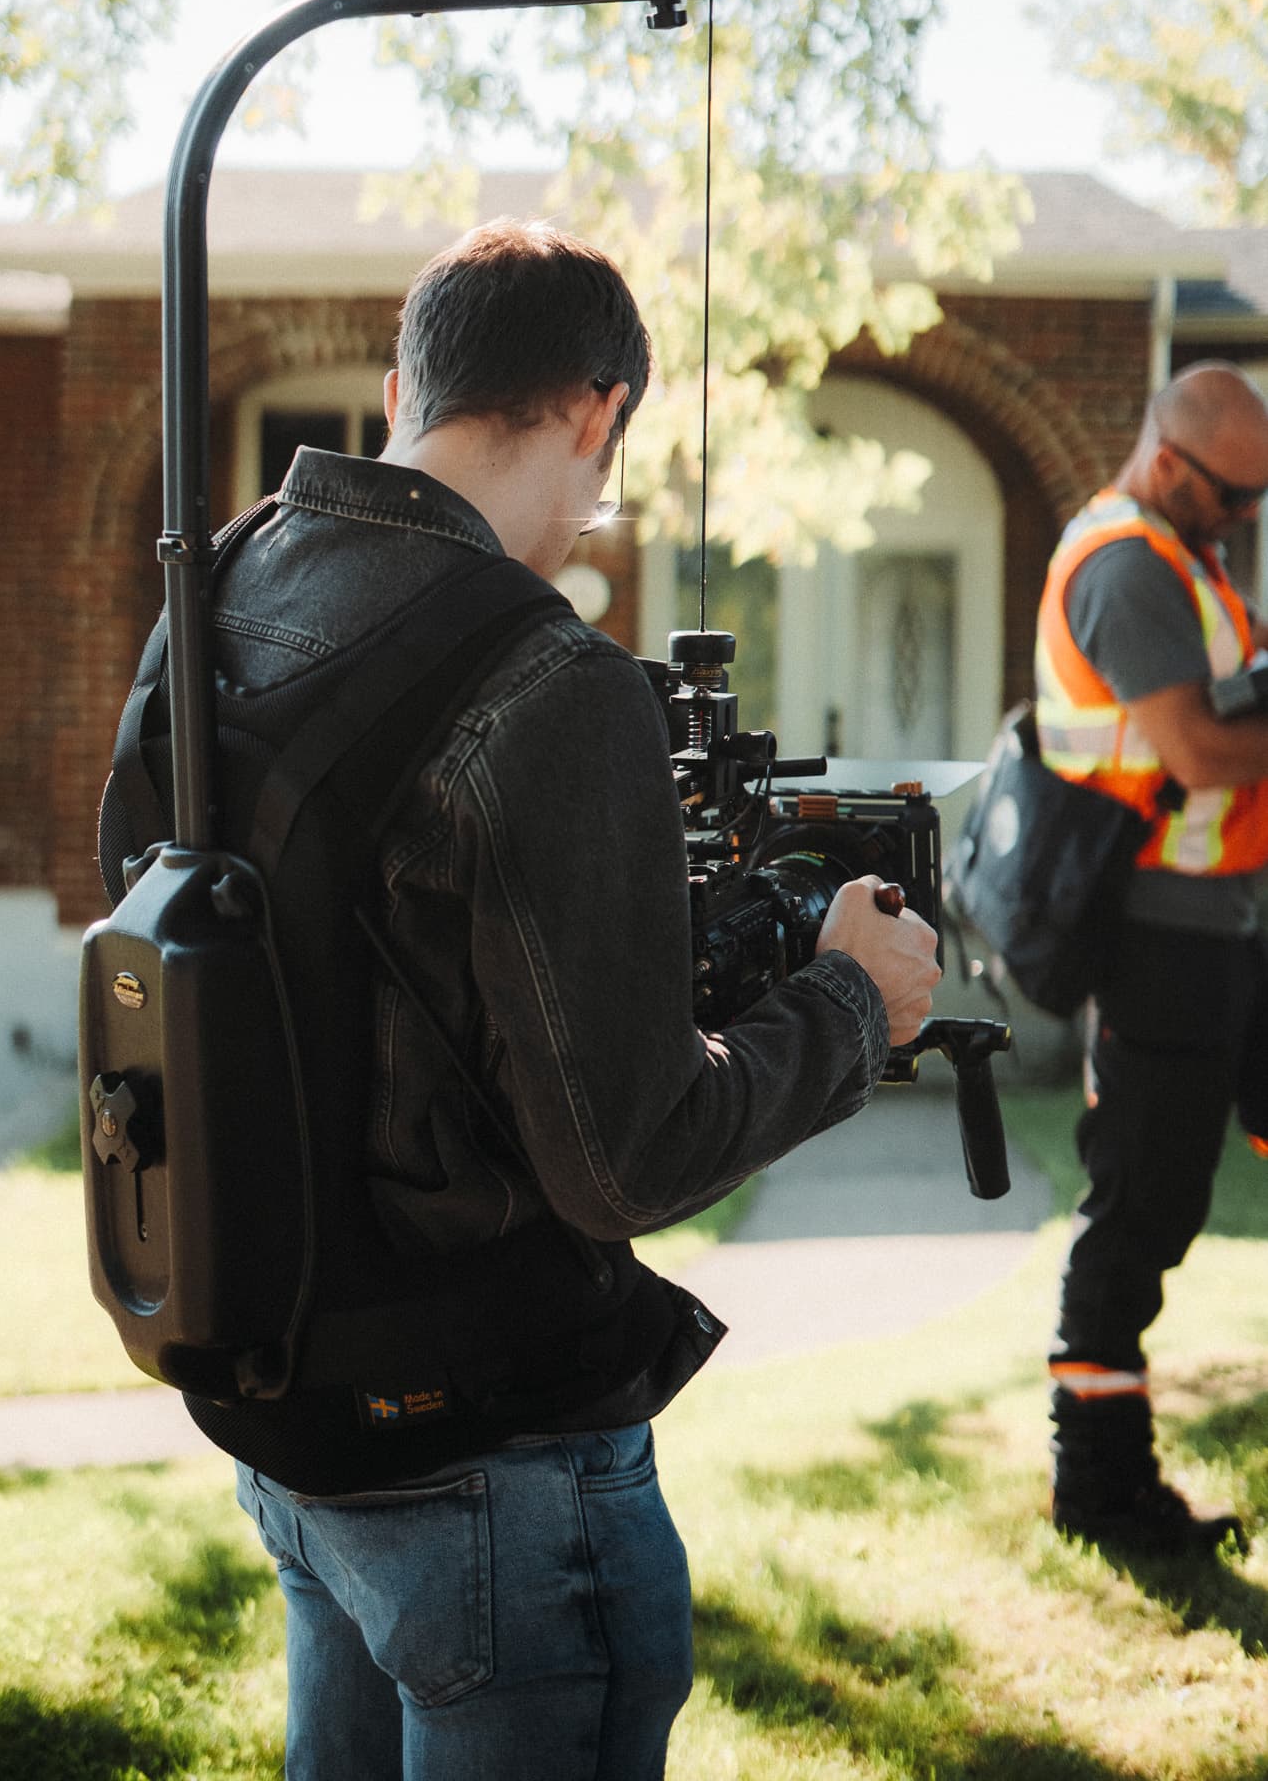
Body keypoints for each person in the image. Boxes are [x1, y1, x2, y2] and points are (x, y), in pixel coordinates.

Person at [101, 218, 941, 1778]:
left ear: (415, 379)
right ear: (596, 412)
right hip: (495, 1472)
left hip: (288, 1420)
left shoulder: (206, 589)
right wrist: (846, 997)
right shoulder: (554, 681)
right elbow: (629, 1156)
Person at [1036, 360, 1268, 1558]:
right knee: (1140, 1210)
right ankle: (1101, 1483)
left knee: (1168, 1201)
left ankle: (1113, 1478)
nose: (1246, 519)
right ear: (1170, 462)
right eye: (1233, 496)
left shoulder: (1193, 557)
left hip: (1226, 919)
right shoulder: (1129, 566)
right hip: (1156, 941)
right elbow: (1203, 748)